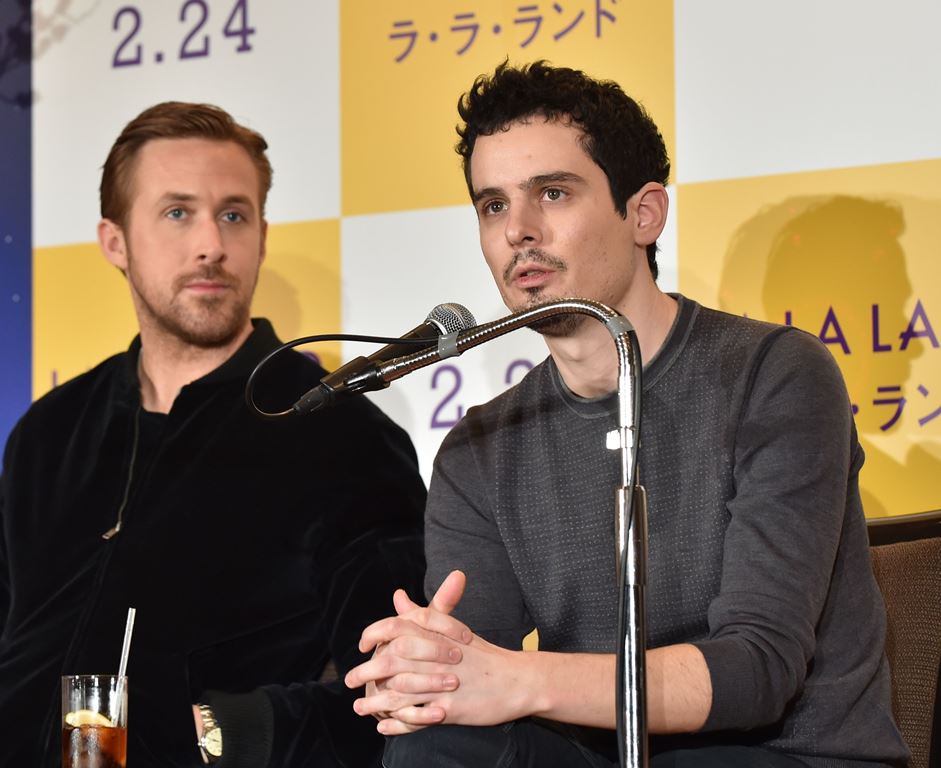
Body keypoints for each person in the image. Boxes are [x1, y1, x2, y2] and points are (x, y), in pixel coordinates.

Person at [344, 61, 911, 767]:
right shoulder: (479, 446)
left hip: (782, 753)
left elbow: (756, 673)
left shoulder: (775, 374)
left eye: (551, 193)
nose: (518, 230)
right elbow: (469, 672)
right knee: (437, 738)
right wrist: (431, 673)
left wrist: (515, 679)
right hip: (597, 753)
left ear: (642, 213)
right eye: (492, 206)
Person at [0, 102, 427, 767]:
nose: (211, 245)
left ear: (260, 233)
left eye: (233, 214)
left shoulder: (340, 435)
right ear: (115, 241)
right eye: (177, 213)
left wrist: (212, 734)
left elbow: (394, 698)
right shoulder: (49, 433)